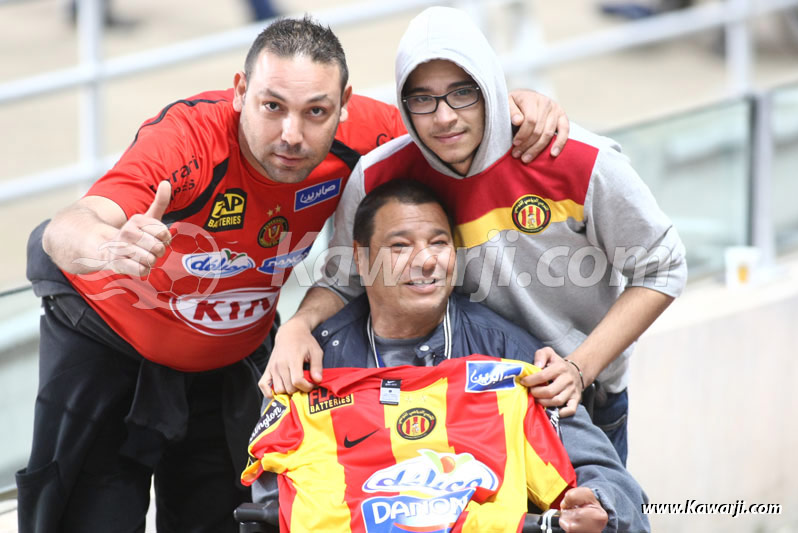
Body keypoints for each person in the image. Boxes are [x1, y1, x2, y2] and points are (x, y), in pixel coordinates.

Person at [19, 14, 569, 533]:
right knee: (85, 517)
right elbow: (66, 227)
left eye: (316, 112)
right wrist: (109, 247)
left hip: (231, 356)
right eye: (272, 106)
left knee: (228, 517)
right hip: (110, 339)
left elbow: (452, 124)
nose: (292, 134)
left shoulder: (366, 137)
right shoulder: (189, 140)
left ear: (344, 106)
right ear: (240, 91)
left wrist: (515, 105)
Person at [262, 6, 688, 466]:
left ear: (489, 86)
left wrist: (579, 368)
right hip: (455, 402)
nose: (444, 117)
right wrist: (296, 327)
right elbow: (344, 280)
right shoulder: (379, 175)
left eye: (462, 93)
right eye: (422, 99)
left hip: (573, 397)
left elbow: (664, 267)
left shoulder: (577, 161)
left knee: (600, 501)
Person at [247, 179, 650, 533]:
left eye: (439, 243)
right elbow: (270, 502)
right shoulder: (312, 361)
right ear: (361, 257)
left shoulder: (507, 354)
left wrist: (598, 501)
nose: (426, 261)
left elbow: (609, 478)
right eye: (400, 246)